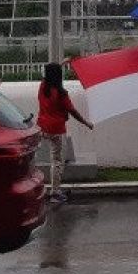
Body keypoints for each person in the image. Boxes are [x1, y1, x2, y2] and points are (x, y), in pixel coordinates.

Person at [37, 62, 93, 205]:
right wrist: (86, 123)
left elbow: (49, 73)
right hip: (57, 130)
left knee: (53, 159)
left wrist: (62, 63)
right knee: (57, 162)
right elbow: (73, 112)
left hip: (44, 128)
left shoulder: (43, 87)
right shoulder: (61, 94)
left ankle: (55, 190)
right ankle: (55, 193)